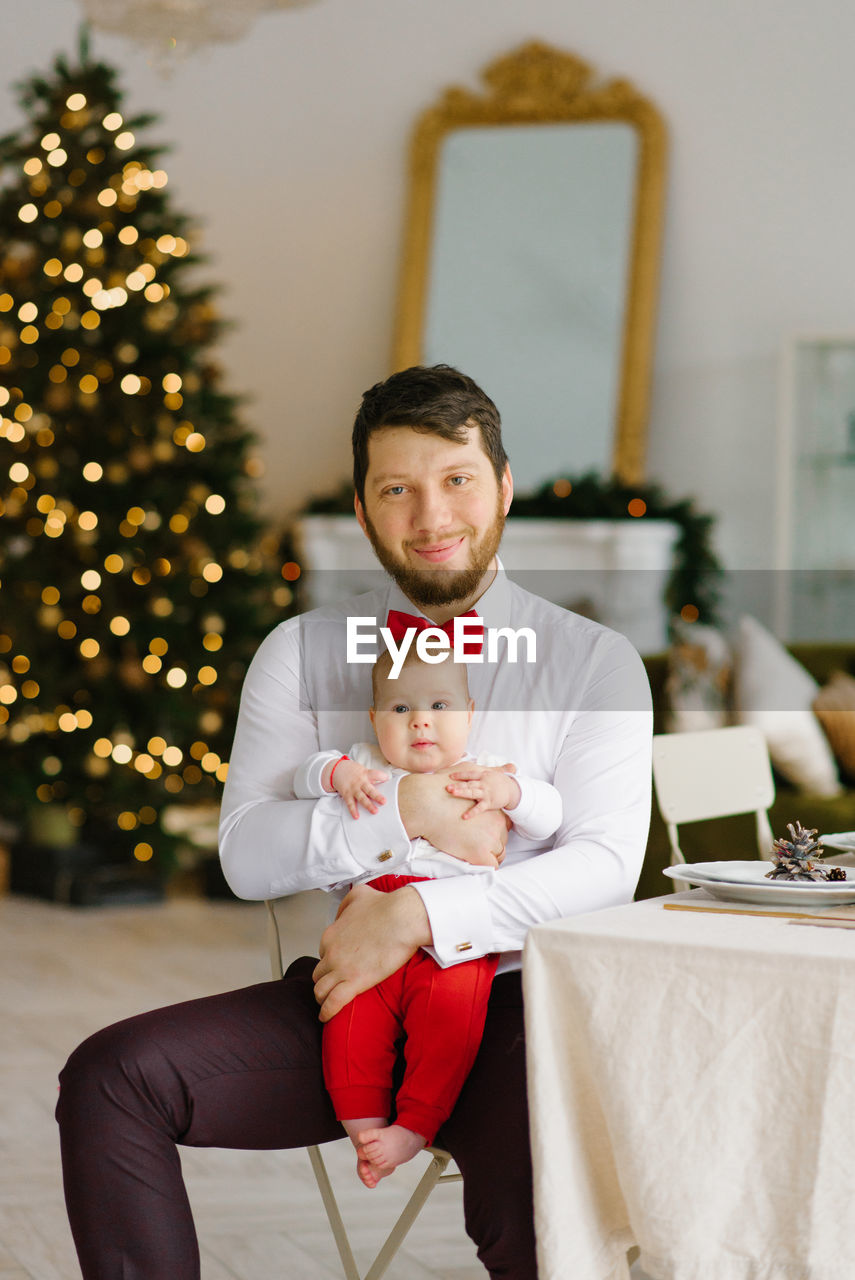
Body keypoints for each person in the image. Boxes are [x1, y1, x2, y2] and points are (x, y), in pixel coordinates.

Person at [56, 363, 652, 1280]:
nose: (430, 515)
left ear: (500, 483)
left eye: (455, 479)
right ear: (365, 509)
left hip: (522, 1010)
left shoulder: (595, 663)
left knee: (537, 1204)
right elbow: (246, 856)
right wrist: (402, 811)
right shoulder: (301, 653)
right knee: (111, 1079)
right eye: (396, 489)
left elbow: (607, 865)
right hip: (354, 1005)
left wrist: (416, 917)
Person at [295, 645, 562, 1186]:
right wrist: (335, 772)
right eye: (399, 710)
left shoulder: (482, 772)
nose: (420, 720)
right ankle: (364, 1128)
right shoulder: (365, 762)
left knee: (451, 1019)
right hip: (369, 925)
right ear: (375, 720)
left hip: (453, 930)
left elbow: (549, 815)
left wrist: (509, 792)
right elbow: (304, 775)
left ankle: (415, 1125)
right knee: (346, 1017)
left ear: (468, 712)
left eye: (440, 706)